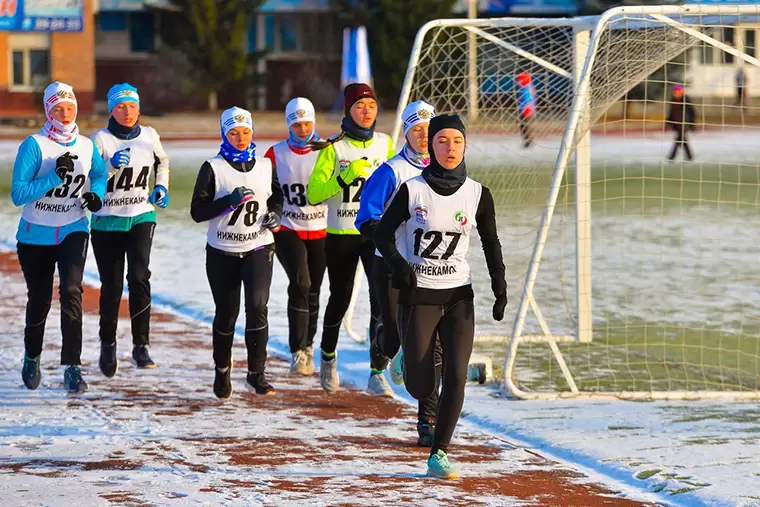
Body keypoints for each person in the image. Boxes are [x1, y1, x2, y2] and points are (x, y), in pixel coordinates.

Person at [375, 114, 507, 479]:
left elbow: (491, 242)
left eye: (457, 141)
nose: (450, 149)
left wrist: (500, 285)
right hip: (418, 296)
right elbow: (382, 235)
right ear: (430, 145)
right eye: (442, 141)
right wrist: (400, 267)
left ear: (465, 146)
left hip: (458, 296)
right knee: (422, 386)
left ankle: (439, 453)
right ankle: (405, 358)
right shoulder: (412, 190)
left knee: (457, 375)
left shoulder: (478, 193)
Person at [10, 81, 107, 394]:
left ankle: (73, 368)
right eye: (57, 109)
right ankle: (32, 357)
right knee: (39, 299)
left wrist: (97, 196)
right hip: (35, 233)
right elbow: (18, 193)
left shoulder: (87, 146)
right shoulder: (34, 145)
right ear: (48, 110)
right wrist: (53, 177)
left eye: (69, 108)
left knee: (71, 290)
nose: (65, 115)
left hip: (73, 228)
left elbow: (99, 175)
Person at [356, 99, 442, 443]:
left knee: (428, 345)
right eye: (416, 129)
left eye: (428, 129)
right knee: (394, 336)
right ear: (406, 133)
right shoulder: (391, 171)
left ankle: (428, 421)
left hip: (428, 270)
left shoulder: (445, 173)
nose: (423, 136)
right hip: (388, 265)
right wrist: (391, 239)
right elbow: (365, 217)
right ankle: (383, 338)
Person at [190, 107, 284, 399]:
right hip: (222, 251)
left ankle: (257, 373)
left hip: (258, 246)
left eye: (245, 131)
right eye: (233, 132)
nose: (241, 137)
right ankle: (222, 370)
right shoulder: (212, 167)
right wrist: (228, 203)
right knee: (227, 314)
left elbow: (277, 196)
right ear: (224, 134)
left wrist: (276, 215)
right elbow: (197, 211)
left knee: (257, 308)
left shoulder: (266, 166)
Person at [307, 83, 395, 395]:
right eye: (359, 106)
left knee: (380, 301)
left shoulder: (385, 144)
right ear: (348, 111)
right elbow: (313, 194)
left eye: (371, 105)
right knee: (340, 298)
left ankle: (377, 371)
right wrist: (343, 176)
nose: (366, 111)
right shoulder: (334, 149)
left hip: (374, 235)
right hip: (341, 234)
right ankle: (328, 356)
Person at [90, 83, 170, 376]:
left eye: (132, 106)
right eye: (121, 106)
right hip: (107, 221)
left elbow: (163, 162)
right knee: (111, 286)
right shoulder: (100, 139)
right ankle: (108, 344)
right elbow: (88, 180)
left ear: (139, 108)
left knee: (139, 276)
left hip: (140, 215)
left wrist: (161, 186)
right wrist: (109, 167)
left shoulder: (149, 136)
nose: (127, 112)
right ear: (111, 109)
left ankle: (141, 345)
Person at [264, 97, 326, 376]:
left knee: (314, 289)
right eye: (297, 124)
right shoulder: (275, 154)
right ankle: (297, 350)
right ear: (289, 125)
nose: (302, 129)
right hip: (289, 229)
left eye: (307, 123)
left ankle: (309, 346)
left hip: (324, 229)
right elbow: (266, 190)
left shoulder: (328, 150)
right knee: (300, 283)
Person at [666, 84, 696, 162]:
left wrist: (692, 124)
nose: (677, 92)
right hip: (676, 124)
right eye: (676, 91)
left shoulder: (686, 99)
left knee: (679, 140)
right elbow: (671, 112)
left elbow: (692, 112)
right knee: (682, 140)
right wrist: (668, 121)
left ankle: (672, 157)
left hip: (684, 123)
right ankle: (689, 157)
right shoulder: (673, 99)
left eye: (679, 91)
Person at [516, 72, 536, 148]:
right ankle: (527, 140)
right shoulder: (527, 87)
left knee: (526, 126)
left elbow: (528, 98)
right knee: (523, 126)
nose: (518, 81)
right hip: (524, 109)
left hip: (527, 109)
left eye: (519, 79)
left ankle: (528, 141)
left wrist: (528, 108)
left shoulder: (526, 87)